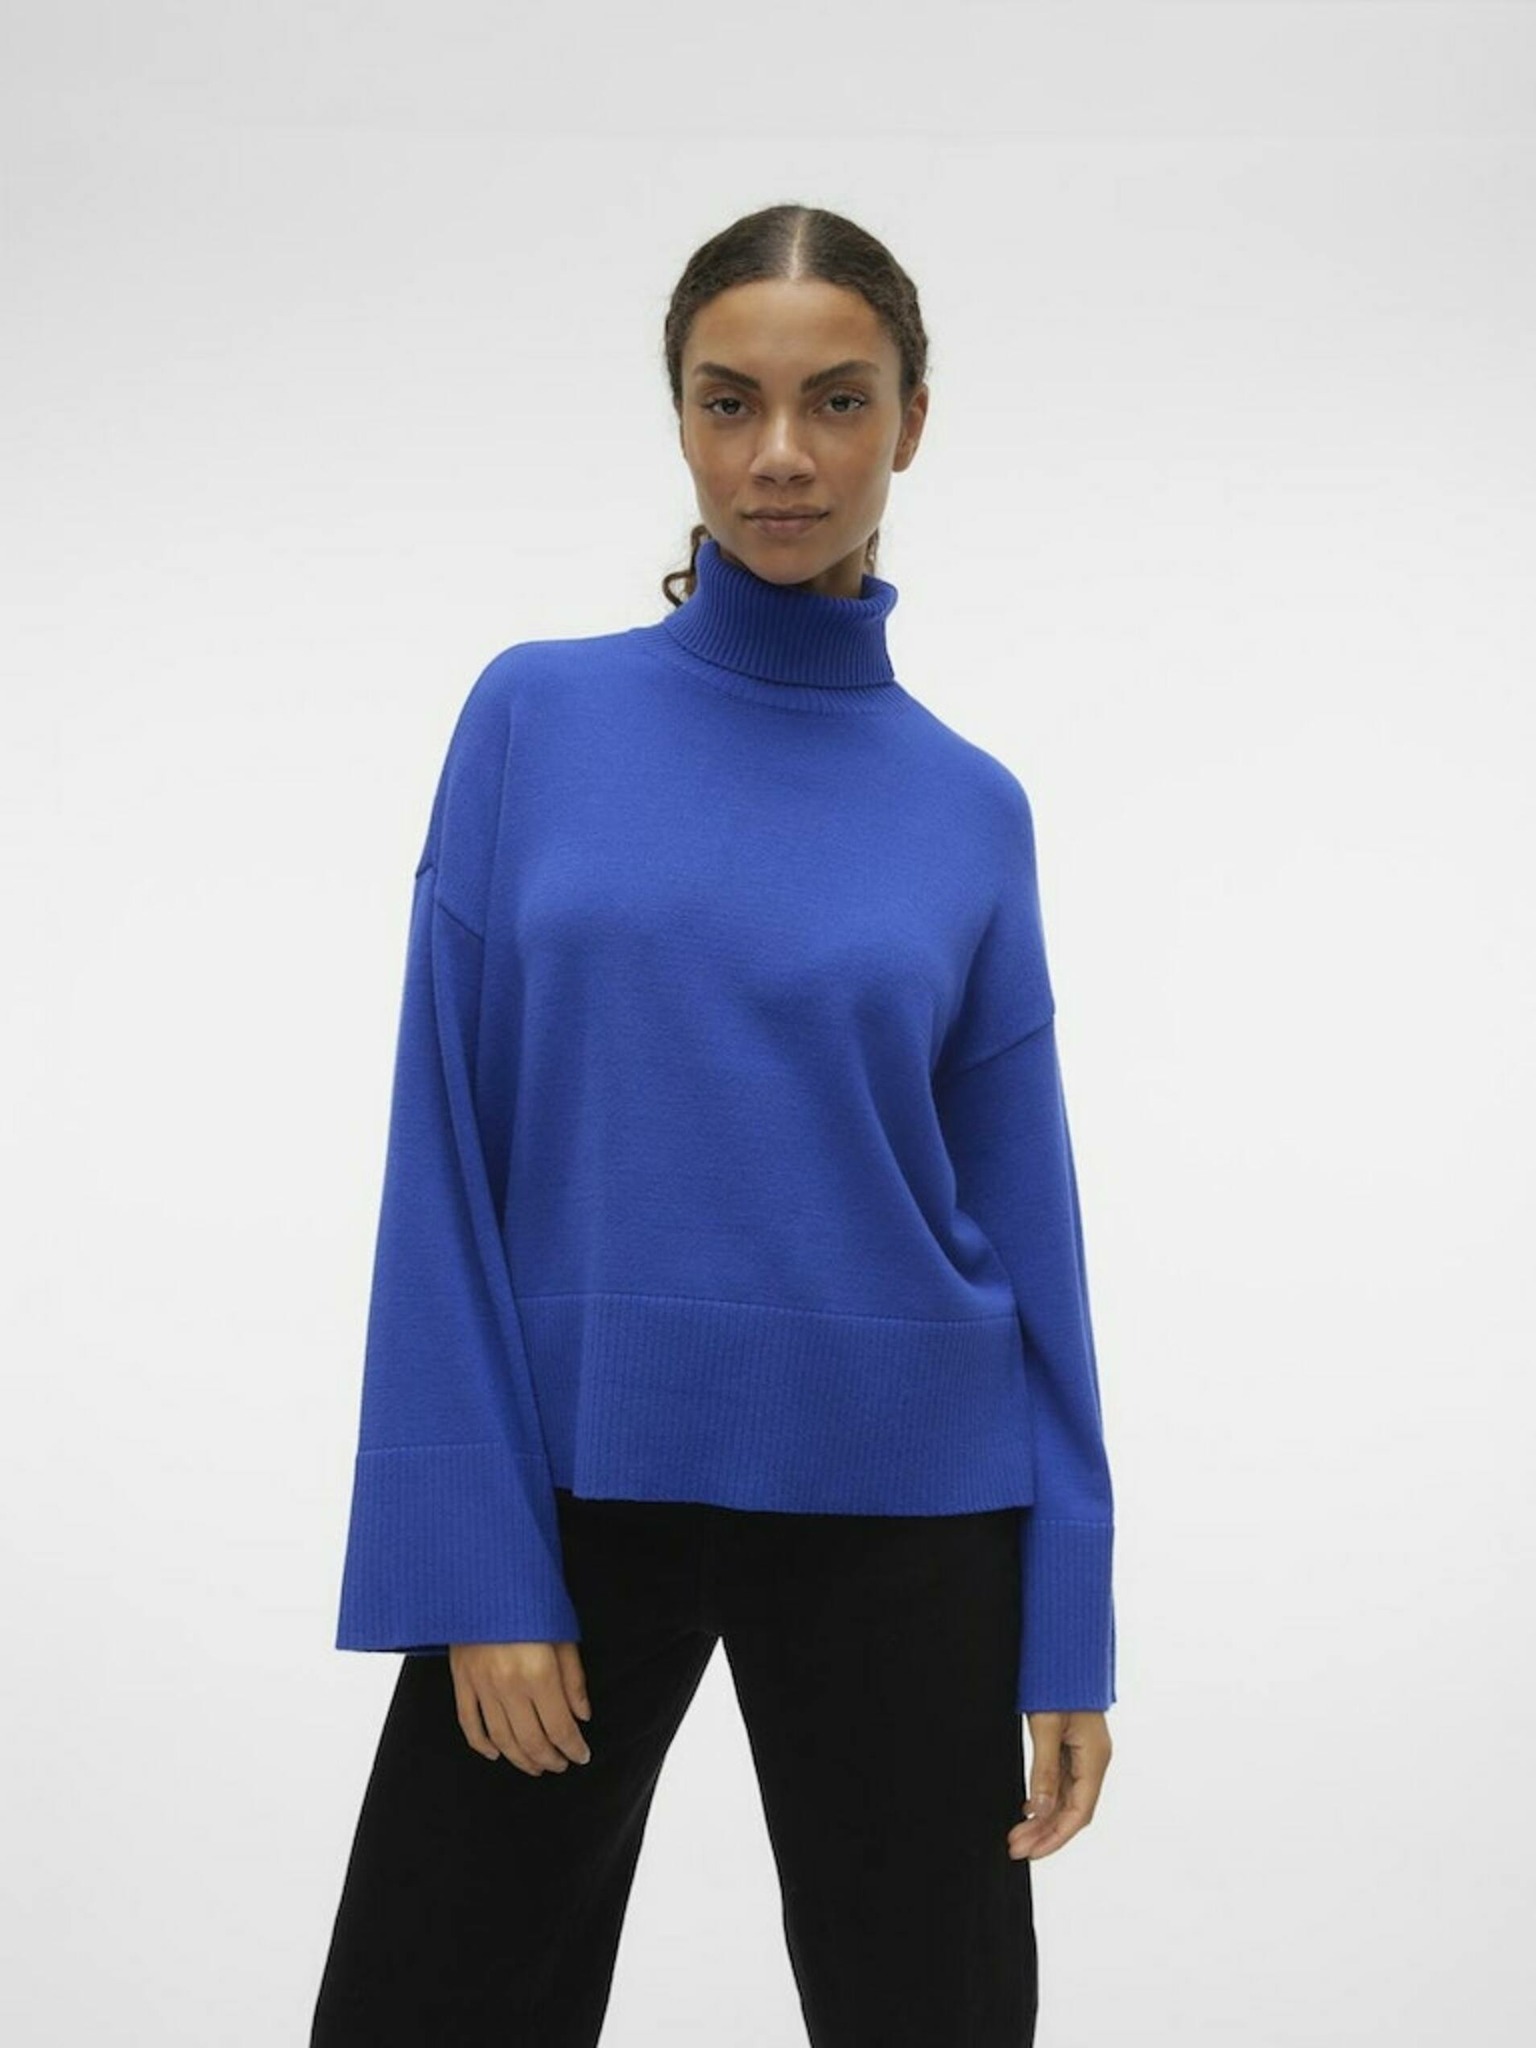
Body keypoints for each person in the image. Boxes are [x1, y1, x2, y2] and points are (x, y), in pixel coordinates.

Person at [310, 201, 1117, 2048]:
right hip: (580, 1486)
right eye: (728, 400)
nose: (781, 456)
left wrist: (1066, 1613)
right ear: (677, 416)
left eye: (838, 401)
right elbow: (443, 1156)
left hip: (912, 1503)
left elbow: (1031, 1225)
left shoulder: (969, 808)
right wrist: (476, 1562)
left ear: (912, 422)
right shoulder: (536, 717)